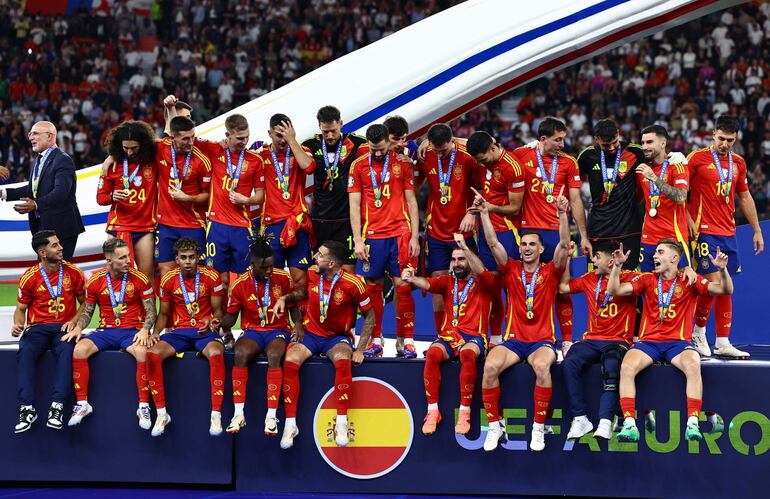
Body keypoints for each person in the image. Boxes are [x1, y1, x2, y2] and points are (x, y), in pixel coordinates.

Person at [608, 239, 733, 442]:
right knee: (627, 366)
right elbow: (614, 290)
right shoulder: (647, 279)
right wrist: (617, 267)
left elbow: (725, 290)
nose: (654, 256)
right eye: (655, 253)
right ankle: (630, 424)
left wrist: (723, 270)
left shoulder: (689, 280)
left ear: (674, 258)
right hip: (648, 343)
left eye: (660, 252)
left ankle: (692, 423)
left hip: (678, 343)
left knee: (693, 365)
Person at [476, 189, 571, 452]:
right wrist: (485, 213)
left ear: (541, 248)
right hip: (514, 341)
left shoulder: (552, 271)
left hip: (542, 341)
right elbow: (494, 244)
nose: (526, 248)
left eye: (531, 244)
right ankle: (495, 425)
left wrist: (563, 214)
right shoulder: (510, 269)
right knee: (490, 367)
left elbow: (564, 245)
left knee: (542, 368)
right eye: (523, 244)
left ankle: (538, 429)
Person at [273, 240, 375, 449]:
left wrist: (361, 348)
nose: (314, 258)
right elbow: (302, 294)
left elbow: (370, 315)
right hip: (310, 335)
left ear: (331, 264)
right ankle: (290, 424)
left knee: (342, 359)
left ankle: (341, 422)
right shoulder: (312, 274)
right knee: (290, 359)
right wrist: (285, 298)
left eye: (320, 255)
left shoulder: (354, 284)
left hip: (336, 338)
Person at [401, 234, 494, 435]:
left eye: (461, 259)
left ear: (471, 259)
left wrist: (467, 249)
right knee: (433, 354)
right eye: (454, 260)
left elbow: (482, 271)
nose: (457, 264)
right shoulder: (447, 281)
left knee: (467, 355)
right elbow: (427, 284)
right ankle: (433, 411)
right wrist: (411, 278)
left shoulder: (485, 282)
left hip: (474, 337)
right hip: (449, 337)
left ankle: (464, 412)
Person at [688, 115, 764, 359]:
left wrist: (757, 230)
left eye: (730, 140)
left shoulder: (739, 163)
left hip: (728, 232)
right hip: (703, 232)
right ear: (713, 134)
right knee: (716, 284)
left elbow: (744, 196)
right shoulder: (696, 158)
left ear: (736, 138)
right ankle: (698, 332)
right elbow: (680, 191)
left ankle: (722, 341)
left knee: (725, 288)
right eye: (721, 138)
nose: (725, 144)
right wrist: (688, 221)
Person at [514, 117, 589, 353]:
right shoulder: (521, 155)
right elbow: (488, 149)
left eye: (563, 139)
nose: (562, 144)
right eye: (557, 140)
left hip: (559, 233)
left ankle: (566, 340)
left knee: (562, 287)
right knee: (529, 288)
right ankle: (530, 336)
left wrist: (583, 236)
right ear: (543, 139)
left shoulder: (568, 162)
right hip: (530, 233)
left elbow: (576, 200)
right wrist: (455, 139)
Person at [67, 238, 156, 428]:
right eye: (122, 258)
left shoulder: (140, 279)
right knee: (79, 350)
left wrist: (145, 329)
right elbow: (88, 311)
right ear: (109, 261)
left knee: (142, 352)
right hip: (105, 331)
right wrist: (78, 327)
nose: (128, 261)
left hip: (131, 332)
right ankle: (82, 404)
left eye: (128, 256)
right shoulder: (95, 281)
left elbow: (151, 310)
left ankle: (143, 406)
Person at [348, 124, 420, 358]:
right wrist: (358, 240)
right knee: (373, 289)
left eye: (381, 148)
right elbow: (355, 205)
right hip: (372, 237)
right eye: (373, 148)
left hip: (400, 233)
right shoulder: (358, 166)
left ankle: (406, 340)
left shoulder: (403, 163)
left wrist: (415, 237)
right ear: (367, 144)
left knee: (404, 286)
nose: (377, 153)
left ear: (388, 143)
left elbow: (411, 201)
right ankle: (375, 340)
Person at [558, 241, 639, 440]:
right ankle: (580, 418)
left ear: (611, 261)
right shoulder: (589, 279)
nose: (592, 260)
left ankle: (605, 422)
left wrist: (687, 268)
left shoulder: (630, 278)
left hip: (618, 340)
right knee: (569, 363)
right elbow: (563, 287)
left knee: (611, 367)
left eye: (597, 257)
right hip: (592, 339)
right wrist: (567, 258)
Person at [145, 238, 226, 437]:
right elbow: (164, 314)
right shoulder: (167, 279)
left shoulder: (212, 276)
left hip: (204, 332)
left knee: (216, 353)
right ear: (176, 259)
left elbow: (219, 311)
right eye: (183, 258)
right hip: (179, 332)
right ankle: (162, 413)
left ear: (198, 258)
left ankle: (216, 413)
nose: (188, 261)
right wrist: (155, 334)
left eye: (192, 257)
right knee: (152, 355)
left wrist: (213, 321)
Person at [13, 230, 86, 433]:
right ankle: (26, 408)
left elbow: (86, 304)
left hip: (64, 327)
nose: (61, 247)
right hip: (37, 328)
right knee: (25, 350)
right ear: (43, 252)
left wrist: (74, 322)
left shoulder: (73, 272)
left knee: (66, 351)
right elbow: (20, 310)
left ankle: (57, 406)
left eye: (59, 243)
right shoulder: (30, 277)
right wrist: (18, 325)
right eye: (55, 245)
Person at [221, 235, 294, 435]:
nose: (269, 270)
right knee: (240, 353)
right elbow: (230, 317)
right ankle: (238, 414)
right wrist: (218, 322)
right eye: (264, 267)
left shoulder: (283, 277)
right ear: (252, 264)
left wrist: (299, 326)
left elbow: (293, 306)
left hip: (278, 330)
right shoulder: (240, 284)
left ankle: (271, 415)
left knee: (274, 355)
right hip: (253, 330)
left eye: (271, 265)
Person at [416, 124, 481, 340]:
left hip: (463, 230)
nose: (440, 154)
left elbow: (480, 189)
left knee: (471, 280)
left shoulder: (468, 157)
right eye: (436, 150)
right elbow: (405, 144)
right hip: (436, 231)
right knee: (438, 282)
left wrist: (472, 213)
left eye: (444, 150)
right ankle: (442, 335)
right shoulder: (427, 154)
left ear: (452, 141)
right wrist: (423, 143)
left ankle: (470, 332)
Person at [466, 131, 525, 345]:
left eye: (481, 160)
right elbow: (463, 142)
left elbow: (516, 207)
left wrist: (490, 207)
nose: (479, 163)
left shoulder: (513, 168)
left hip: (507, 231)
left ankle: (516, 334)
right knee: (490, 283)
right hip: (485, 228)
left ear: (492, 148)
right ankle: (495, 336)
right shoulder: (483, 154)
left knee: (511, 282)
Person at [198, 113, 265, 289]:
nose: (244, 141)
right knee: (218, 280)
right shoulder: (214, 150)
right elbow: (182, 136)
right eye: (240, 138)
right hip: (216, 225)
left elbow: (261, 196)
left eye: (247, 137)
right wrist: (172, 109)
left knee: (246, 280)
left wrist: (247, 200)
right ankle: (219, 317)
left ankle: (246, 317)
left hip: (242, 226)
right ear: (227, 135)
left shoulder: (255, 160)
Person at [0, 121, 84, 260]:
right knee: (46, 274)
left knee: (58, 275)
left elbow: (60, 193)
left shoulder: (63, 160)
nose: (31, 137)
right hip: (43, 227)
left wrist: (36, 204)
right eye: (30, 133)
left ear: (50, 137)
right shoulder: (38, 160)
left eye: (35, 133)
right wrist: (4, 193)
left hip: (61, 229)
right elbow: (32, 189)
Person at [302, 105, 367, 272]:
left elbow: (380, 149)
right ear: (319, 127)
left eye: (333, 131)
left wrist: (417, 144)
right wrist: (292, 139)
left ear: (341, 124)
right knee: (319, 270)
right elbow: (306, 167)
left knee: (347, 271)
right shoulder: (311, 144)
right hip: (319, 221)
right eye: (325, 132)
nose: (330, 136)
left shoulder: (357, 143)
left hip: (345, 221)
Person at [258, 114, 316, 297]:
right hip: (272, 224)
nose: (282, 140)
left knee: (300, 278)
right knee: (271, 276)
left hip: (297, 222)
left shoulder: (301, 150)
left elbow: (309, 167)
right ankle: (276, 321)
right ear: (269, 133)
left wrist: (292, 141)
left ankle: (298, 324)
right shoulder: (261, 155)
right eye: (278, 135)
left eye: (286, 135)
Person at [96, 120, 158, 282]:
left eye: (134, 148)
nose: (129, 152)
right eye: (125, 148)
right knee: (119, 276)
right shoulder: (112, 165)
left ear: (143, 144)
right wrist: (112, 197)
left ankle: (148, 308)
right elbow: (100, 198)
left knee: (146, 276)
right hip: (119, 226)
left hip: (145, 226)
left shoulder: (153, 160)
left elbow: (166, 143)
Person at [155, 116, 212, 277]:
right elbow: (133, 142)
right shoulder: (160, 147)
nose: (191, 142)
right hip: (165, 223)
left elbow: (207, 196)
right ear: (172, 137)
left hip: (193, 223)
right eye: (185, 138)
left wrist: (187, 198)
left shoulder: (202, 162)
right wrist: (110, 159)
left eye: (193, 136)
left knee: (196, 272)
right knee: (165, 271)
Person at [636, 125, 690, 271]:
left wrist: (654, 178)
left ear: (663, 143)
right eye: (643, 143)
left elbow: (680, 197)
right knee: (647, 288)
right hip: (648, 240)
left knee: (680, 290)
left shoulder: (677, 165)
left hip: (674, 240)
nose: (644, 147)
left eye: (649, 142)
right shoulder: (642, 170)